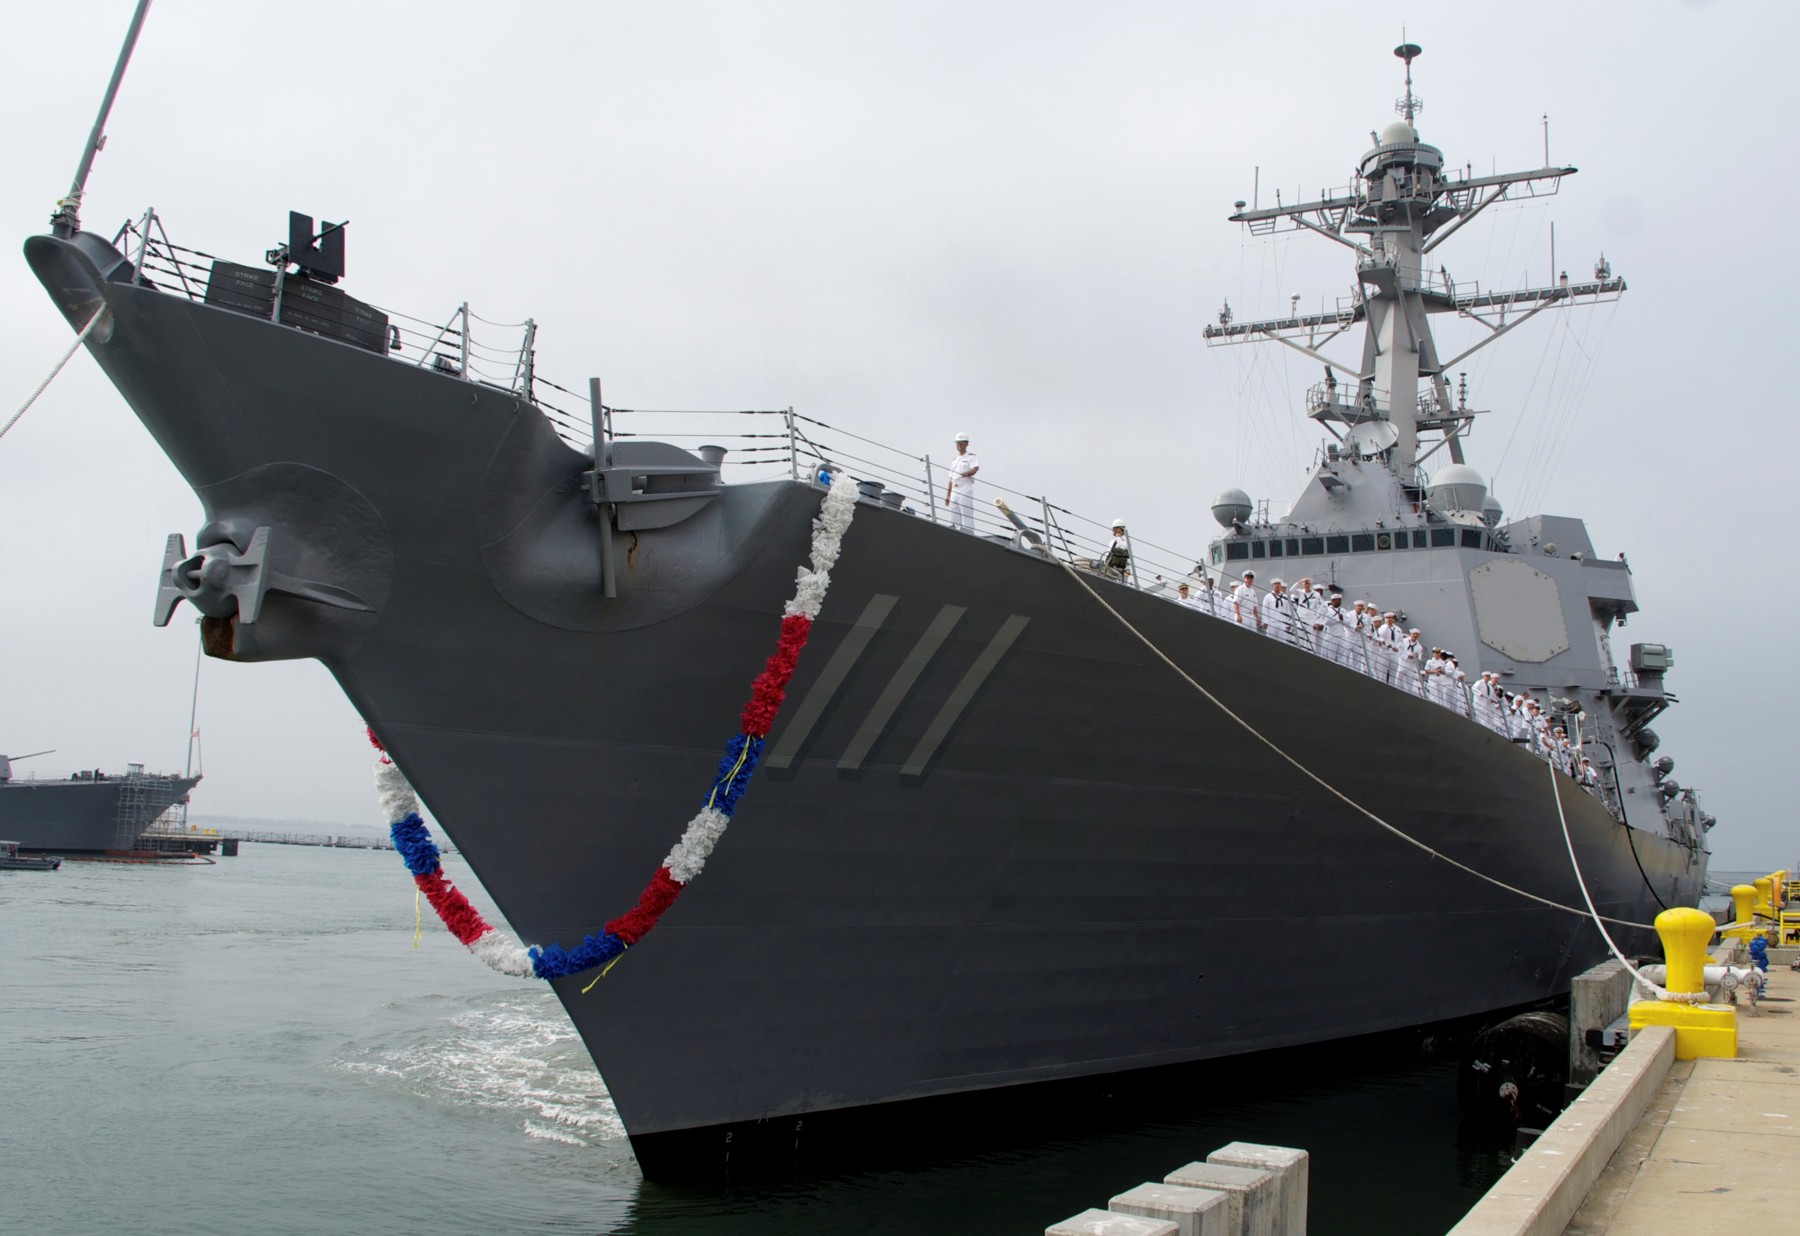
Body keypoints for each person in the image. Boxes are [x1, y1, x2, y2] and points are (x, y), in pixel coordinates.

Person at [944, 433, 979, 533]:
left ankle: (969, 534)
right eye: (958, 443)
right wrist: (948, 495)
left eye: (961, 443)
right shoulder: (954, 461)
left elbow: (975, 469)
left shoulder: (971, 457)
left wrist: (967, 473)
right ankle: (955, 534)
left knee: (966, 513)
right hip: (955, 489)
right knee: (954, 513)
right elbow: (951, 479)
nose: (959, 445)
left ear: (966, 444)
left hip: (965, 487)